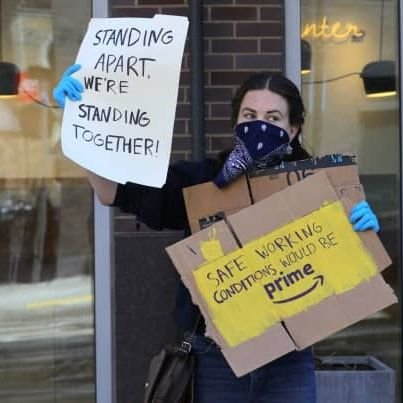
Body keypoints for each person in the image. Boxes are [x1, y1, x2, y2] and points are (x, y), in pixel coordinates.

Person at [53, 65, 380, 403]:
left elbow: (346, 275)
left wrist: (360, 232)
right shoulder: (202, 184)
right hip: (215, 360)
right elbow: (113, 192)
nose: (260, 126)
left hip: (289, 361)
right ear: (237, 123)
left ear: (293, 129)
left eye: (273, 117)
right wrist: (79, 122)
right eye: (249, 115)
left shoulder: (318, 190)